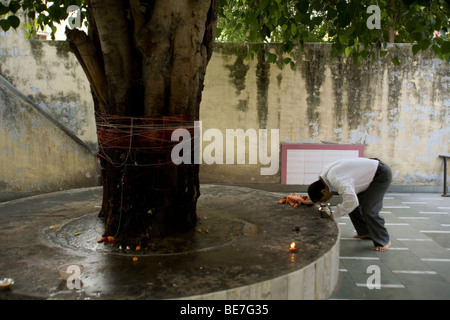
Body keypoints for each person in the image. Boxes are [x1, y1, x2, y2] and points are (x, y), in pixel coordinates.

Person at [307, 157, 392, 252]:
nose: (325, 201)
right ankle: (366, 232)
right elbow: (350, 202)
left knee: (369, 209)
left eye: (323, 200)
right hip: (367, 175)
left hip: (380, 175)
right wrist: (312, 201)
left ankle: (384, 240)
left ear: (323, 191)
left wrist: (333, 215)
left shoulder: (337, 180)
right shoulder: (324, 179)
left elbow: (351, 201)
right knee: (353, 206)